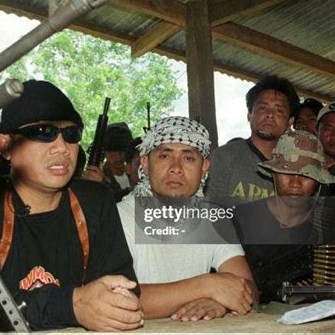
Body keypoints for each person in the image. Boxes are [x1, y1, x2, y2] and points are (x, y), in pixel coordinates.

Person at [0, 80, 143, 332]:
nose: (62, 147)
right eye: (43, 133)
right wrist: (71, 305)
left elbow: (125, 287)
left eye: (71, 135)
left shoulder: (94, 201)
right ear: (5, 146)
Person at [118, 116, 257, 321]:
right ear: (146, 163)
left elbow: (249, 289)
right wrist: (208, 286)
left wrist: (220, 303)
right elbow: (118, 300)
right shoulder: (119, 217)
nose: (176, 167)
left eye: (188, 158)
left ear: (205, 167)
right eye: (165, 156)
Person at [234, 130, 335, 301]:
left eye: (306, 174)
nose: (295, 183)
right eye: (287, 172)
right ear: (273, 173)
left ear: (319, 180)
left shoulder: (327, 223)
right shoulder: (239, 220)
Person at [206, 75, 299, 204]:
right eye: (262, 108)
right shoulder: (224, 157)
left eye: (279, 110)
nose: (270, 114)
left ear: (290, 121)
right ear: (249, 115)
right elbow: (211, 212)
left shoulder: (298, 166)